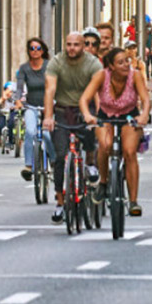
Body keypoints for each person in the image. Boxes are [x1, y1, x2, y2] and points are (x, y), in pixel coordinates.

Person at [78, 47, 151, 216]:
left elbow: (145, 99)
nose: (126, 65)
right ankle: (103, 183)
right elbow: (84, 98)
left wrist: (144, 115)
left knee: (129, 151)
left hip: (129, 116)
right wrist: (88, 115)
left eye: (127, 60)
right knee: (105, 145)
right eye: (120, 62)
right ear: (110, 66)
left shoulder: (136, 76)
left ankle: (133, 201)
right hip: (106, 116)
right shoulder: (101, 76)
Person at [43, 32, 103, 224]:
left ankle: (90, 165)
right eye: (69, 44)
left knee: (89, 141)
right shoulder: (56, 62)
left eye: (76, 45)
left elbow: (98, 92)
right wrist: (48, 117)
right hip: (62, 110)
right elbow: (50, 89)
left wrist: (98, 115)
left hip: (86, 110)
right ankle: (60, 202)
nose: (72, 48)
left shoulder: (93, 63)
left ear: (83, 45)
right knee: (60, 157)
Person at [16, 37, 52, 182]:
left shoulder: (49, 66)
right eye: (32, 48)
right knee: (30, 132)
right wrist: (18, 100)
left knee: (48, 136)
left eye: (38, 48)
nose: (35, 51)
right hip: (31, 106)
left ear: (42, 51)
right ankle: (29, 166)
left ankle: (54, 161)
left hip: (49, 106)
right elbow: (19, 87)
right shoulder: (24, 68)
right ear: (28, 51)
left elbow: (55, 84)